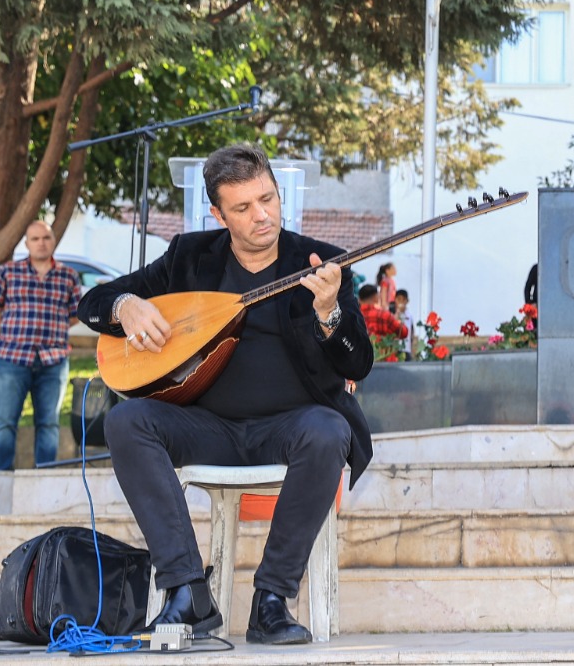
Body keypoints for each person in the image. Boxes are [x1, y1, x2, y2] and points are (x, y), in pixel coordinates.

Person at [78, 144, 372, 644]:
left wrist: (330, 314)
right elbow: (93, 301)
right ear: (217, 213)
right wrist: (126, 306)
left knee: (330, 430)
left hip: (291, 428)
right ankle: (187, 589)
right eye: (243, 208)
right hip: (207, 429)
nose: (262, 216)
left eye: (268, 199)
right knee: (126, 421)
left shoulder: (320, 261)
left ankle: (272, 600)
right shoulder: (190, 257)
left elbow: (357, 361)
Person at [0, 221, 81, 470]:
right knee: (5, 422)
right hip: (12, 359)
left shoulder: (68, 276)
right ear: (26, 243)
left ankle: (43, 481)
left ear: (53, 241)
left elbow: (75, 314)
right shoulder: (7, 272)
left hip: (53, 361)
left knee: (49, 423)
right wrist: (14, 334)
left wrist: (53, 330)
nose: (41, 243)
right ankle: (2, 479)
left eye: (46, 238)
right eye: (35, 239)